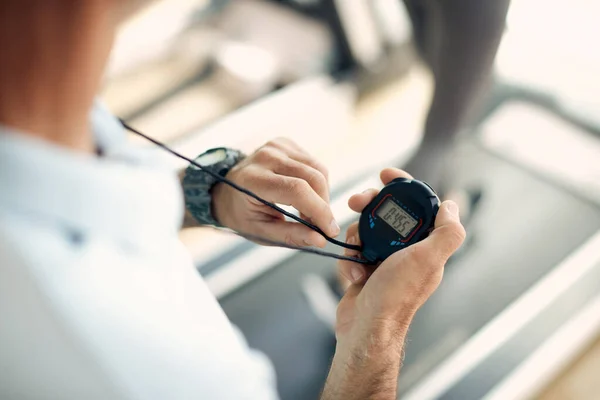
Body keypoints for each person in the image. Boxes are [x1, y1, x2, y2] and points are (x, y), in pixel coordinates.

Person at [0, 1, 466, 399]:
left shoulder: (37, 82)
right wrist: (378, 339)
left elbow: (77, 184)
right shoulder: (151, 373)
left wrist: (209, 192)